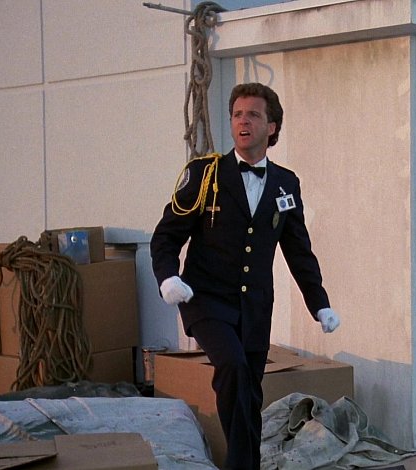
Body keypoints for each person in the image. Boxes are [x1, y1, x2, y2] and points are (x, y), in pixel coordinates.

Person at [150, 82, 340, 469]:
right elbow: (166, 236)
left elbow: (298, 251)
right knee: (233, 367)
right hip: (206, 301)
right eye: (237, 114)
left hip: (254, 306)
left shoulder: (286, 183)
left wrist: (319, 303)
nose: (243, 121)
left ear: (272, 126)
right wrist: (168, 278)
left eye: (253, 114)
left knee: (249, 391)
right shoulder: (204, 175)